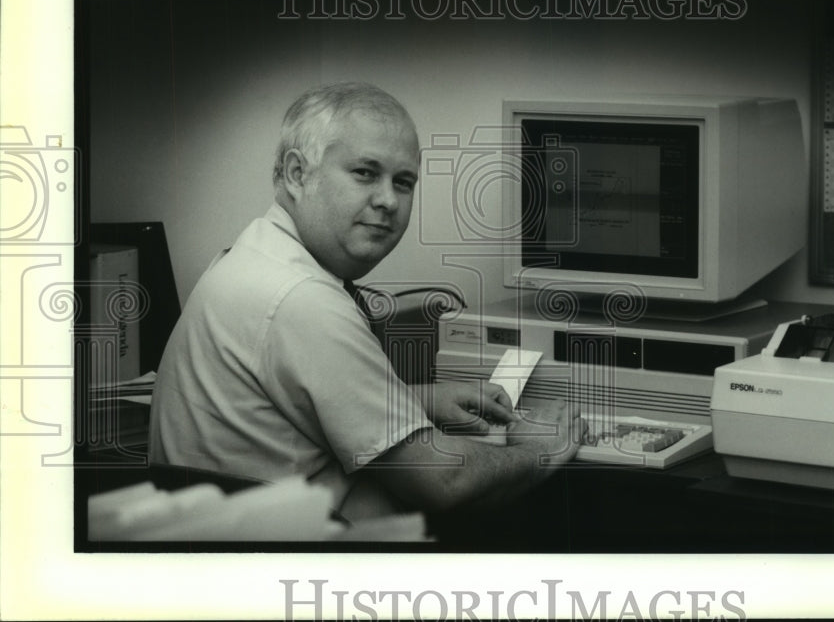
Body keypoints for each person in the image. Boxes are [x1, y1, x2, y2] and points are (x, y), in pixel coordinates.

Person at [149, 82, 585, 521]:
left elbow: (288, 403)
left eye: (404, 182)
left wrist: (418, 399)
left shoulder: (252, 258)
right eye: (364, 173)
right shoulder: (303, 300)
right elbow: (443, 481)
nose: (388, 200)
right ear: (298, 174)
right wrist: (539, 449)